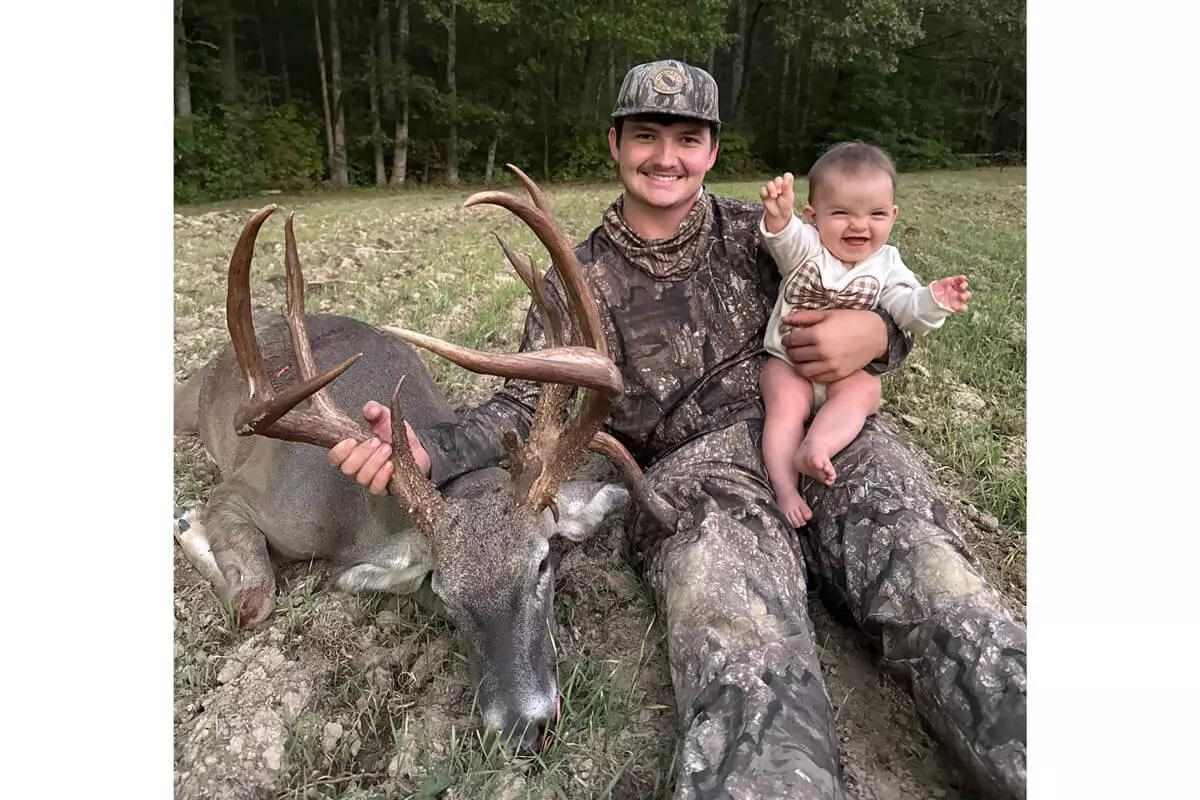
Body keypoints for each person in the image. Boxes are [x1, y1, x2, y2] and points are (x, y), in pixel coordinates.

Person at [328, 60, 1025, 800]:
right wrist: (432, 450)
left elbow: (884, 290)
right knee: (748, 671)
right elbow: (529, 406)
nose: (666, 155)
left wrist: (879, 336)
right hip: (702, 484)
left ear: (712, 150)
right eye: (646, 135)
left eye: (687, 137)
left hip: (832, 441)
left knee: (947, 599)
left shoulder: (767, 234)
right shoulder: (580, 283)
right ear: (615, 143)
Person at [757, 145, 971, 527]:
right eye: (841, 213)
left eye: (875, 214)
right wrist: (780, 219)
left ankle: (818, 445)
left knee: (866, 392)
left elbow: (905, 308)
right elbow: (784, 242)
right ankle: (786, 489)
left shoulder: (887, 264)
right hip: (789, 362)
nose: (859, 225)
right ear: (814, 216)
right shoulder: (809, 247)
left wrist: (933, 300)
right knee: (784, 409)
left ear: (893, 216)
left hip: (846, 370)